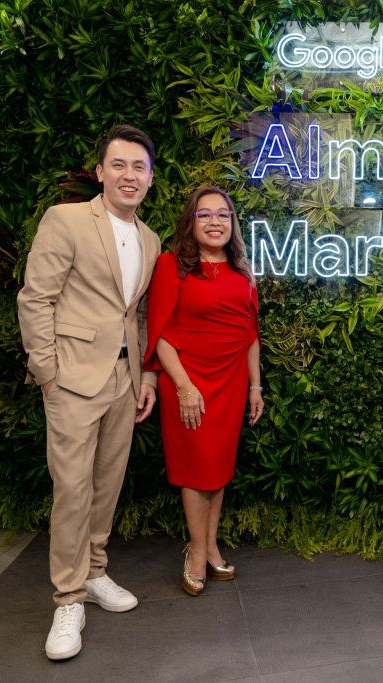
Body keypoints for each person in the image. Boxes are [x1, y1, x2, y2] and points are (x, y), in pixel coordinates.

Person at [18, 124, 161, 659]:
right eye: (119, 165)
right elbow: (36, 299)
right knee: (72, 491)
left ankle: (96, 573)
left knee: (106, 484)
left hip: (124, 379)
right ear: (100, 172)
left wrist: (145, 375)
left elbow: (139, 313)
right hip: (73, 379)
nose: (129, 175)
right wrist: (48, 372)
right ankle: (68, 598)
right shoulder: (68, 219)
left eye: (139, 167)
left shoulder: (149, 239)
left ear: (150, 178)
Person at [144, 185, 263, 597]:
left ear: (233, 223)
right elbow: (157, 331)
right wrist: (183, 388)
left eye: (223, 215)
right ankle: (196, 552)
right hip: (188, 382)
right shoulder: (171, 266)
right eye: (205, 215)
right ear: (190, 223)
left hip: (230, 386)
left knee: (218, 470)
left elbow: (251, 336)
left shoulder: (242, 273)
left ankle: (211, 545)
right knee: (196, 471)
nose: (215, 222)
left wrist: (255, 387)